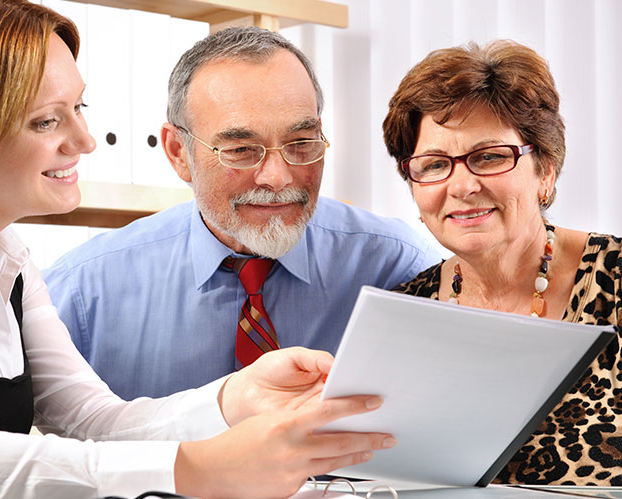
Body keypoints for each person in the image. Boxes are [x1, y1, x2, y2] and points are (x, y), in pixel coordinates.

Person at [0, 1, 397, 497]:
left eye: (78, 108)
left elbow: (91, 420)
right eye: (47, 120)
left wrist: (235, 397)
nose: (85, 141)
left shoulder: (8, 257)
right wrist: (198, 467)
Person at [43, 26, 441, 401]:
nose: (277, 177)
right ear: (178, 152)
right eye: (241, 150)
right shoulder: (83, 293)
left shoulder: (397, 266)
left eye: (301, 143)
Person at [383, 39, 622, 486]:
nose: (462, 186)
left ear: (545, 171)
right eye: (434, 165)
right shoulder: (402, 314)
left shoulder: (616, 276)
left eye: (489, 157)